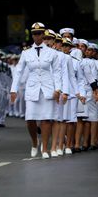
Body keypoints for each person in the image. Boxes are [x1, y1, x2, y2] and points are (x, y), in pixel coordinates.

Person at [10, 22, 62, 159]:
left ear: (43, 34)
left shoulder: (52, 53)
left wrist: (58, 89)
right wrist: (13, 89)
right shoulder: (26, 52)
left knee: (46, 120)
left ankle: (45, 148)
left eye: (39, 33)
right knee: (30, 119)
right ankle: (35, 142)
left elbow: (57, 72)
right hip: (32, 89)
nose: (36, 36)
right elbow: (19, 71)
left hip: (47, 89)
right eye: (34, 34)